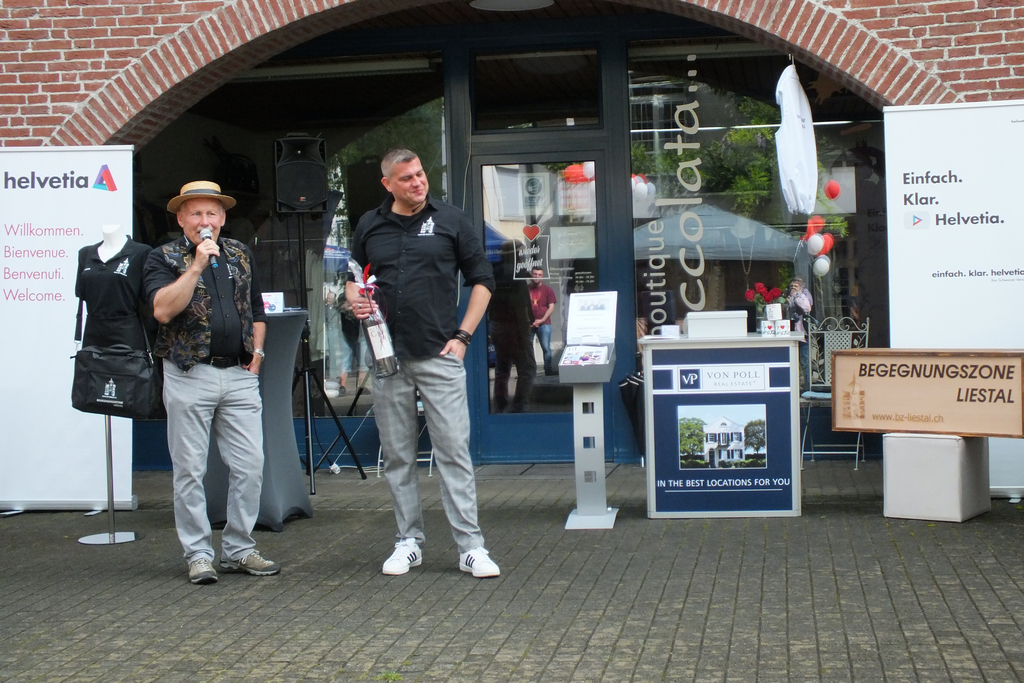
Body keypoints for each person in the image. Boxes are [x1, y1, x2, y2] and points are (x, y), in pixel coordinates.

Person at [347, 148, 500, 578]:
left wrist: (463, 337)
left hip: (439, 355)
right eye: (407, 178)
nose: (417, 182)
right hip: (386, 358)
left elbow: (482, 281)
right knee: (398, 457)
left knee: (453, 453)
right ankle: (408, 542)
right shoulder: (369, 225)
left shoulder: (450, 219)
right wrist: (354, 301)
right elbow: (353, 281)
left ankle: (471, 547)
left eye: (420, 174)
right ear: (388, 184)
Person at [143, 180, 279, 585]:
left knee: (251, 465)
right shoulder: (162, 257)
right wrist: (197, 265)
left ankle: (238, 548)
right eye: (197, 214)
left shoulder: (239, 252)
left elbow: (256, 309)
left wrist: (257, 355)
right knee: (189, 470)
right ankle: (199, 554)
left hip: (238, 375)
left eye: (212, 213)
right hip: (189, 375)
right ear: (181, 218)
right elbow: (163, 311)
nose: (206, 222)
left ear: (223, 218)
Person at [528, 266, 557, 376]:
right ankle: (530, 371)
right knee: (528, 350)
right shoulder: (526, 289)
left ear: (542, 276)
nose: (537, 276)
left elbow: (551, 308)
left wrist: (541, 320)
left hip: (544, 324)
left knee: (546, 347)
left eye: (539, 275)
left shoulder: (548, 290)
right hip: (528, 324)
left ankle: (548, 371)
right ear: (532, 275)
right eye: (535, 274)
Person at [787, 276, 813, 389]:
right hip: (789, 333)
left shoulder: (803, 296)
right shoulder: (788, 297)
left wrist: (797, 296)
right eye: (791, 286)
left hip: (802, 333)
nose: (793, 288)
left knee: (805, 362)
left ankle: (808, 386)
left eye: (796, 286)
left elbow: (806, 308)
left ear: (801, 288)